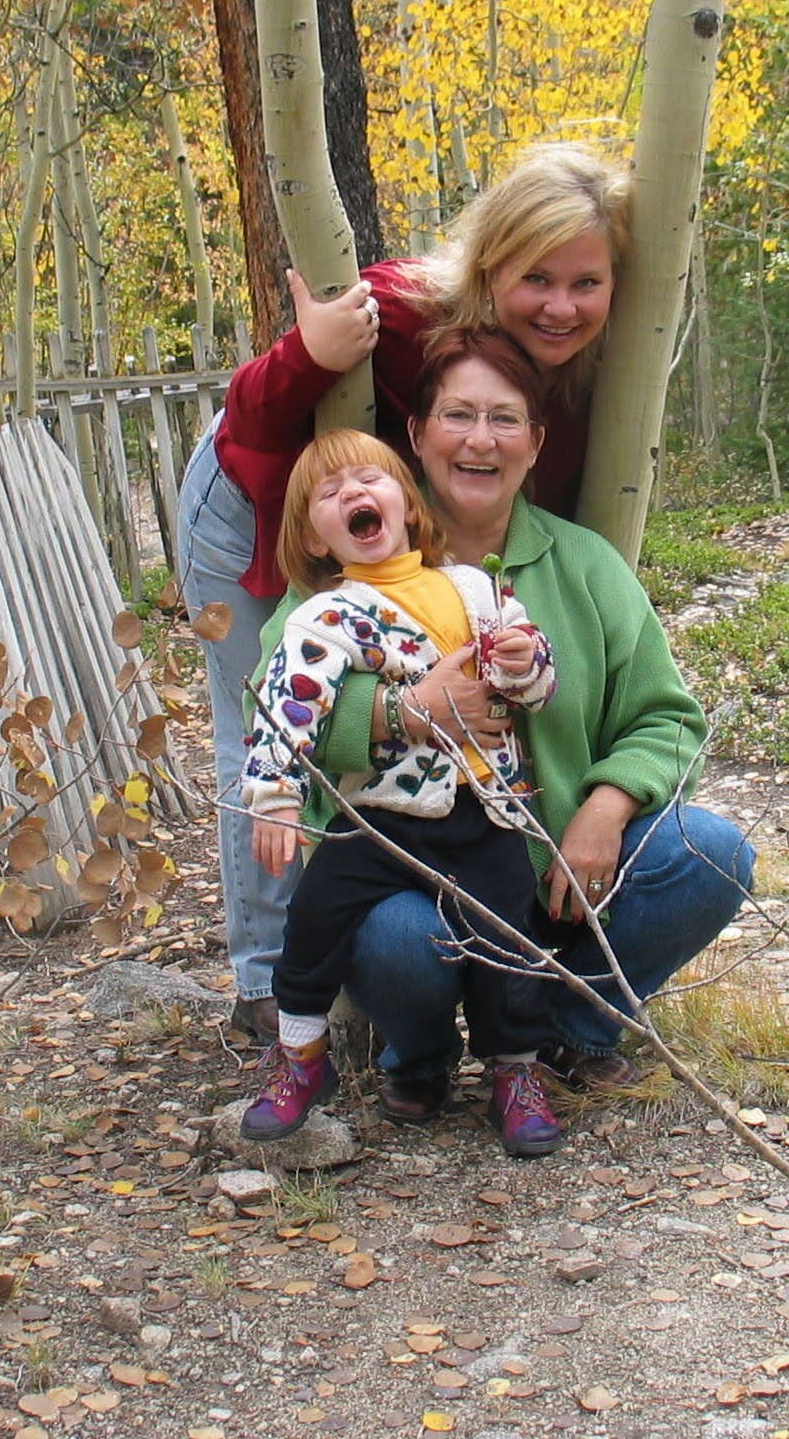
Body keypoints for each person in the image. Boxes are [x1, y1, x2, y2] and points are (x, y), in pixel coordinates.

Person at [177, 143, 630, 1039]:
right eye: (536, 277)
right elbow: (257, 413)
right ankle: (267, 983)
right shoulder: (401, 302)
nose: (562, 304)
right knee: (271, 718)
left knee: (384, 703)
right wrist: (310, 355)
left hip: (388, 545)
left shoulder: (592, 370)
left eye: (587, 282)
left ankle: (374, 936)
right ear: (489, 261)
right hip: (258, 510)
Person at [274, 329, 754, 1122]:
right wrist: (405, 711)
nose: (480, 439)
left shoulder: (586, 564)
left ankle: (564, 1036)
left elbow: (670, 719)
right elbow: (275, 700)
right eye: (458, 415)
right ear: (419, 436)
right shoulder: (352, 563)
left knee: (714, 852)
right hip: (408, 878)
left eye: (505, 419)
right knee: (397, 939)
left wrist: (604, 810)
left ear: (534, 444)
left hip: (558, 882)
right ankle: (419, 1057)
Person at [238, 429, 564, 1156]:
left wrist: (520, 660)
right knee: (316, 915)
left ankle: (515, 1073)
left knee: (509, 936)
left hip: (486, 809)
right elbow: (291, 704)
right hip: (382, 816)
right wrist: (277, 796)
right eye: (331, 493)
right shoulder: (324, 617)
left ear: (407, 505)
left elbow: (536, 689)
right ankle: (301, 1055)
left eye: (372, 479)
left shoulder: (475, 588)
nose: (355, 493)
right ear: (316, 538)